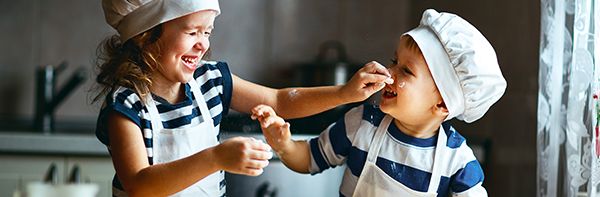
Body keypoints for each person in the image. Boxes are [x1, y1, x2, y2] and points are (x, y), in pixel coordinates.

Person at [94, 0, 394, 196]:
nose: (202, 45)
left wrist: (344, 93)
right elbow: (139, 183)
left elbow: (279, 100)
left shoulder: (210, 81)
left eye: (208, 32)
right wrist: (216, 157)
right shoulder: (127, 106)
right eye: (192, 32)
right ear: (146, 36)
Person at [252, 9, 506, 197]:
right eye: (394, 61)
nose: (389, 72)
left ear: (442, 104)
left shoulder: (458, 162)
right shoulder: (362, 124)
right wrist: (283, 145)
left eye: (406, 71)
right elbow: (308, 158)